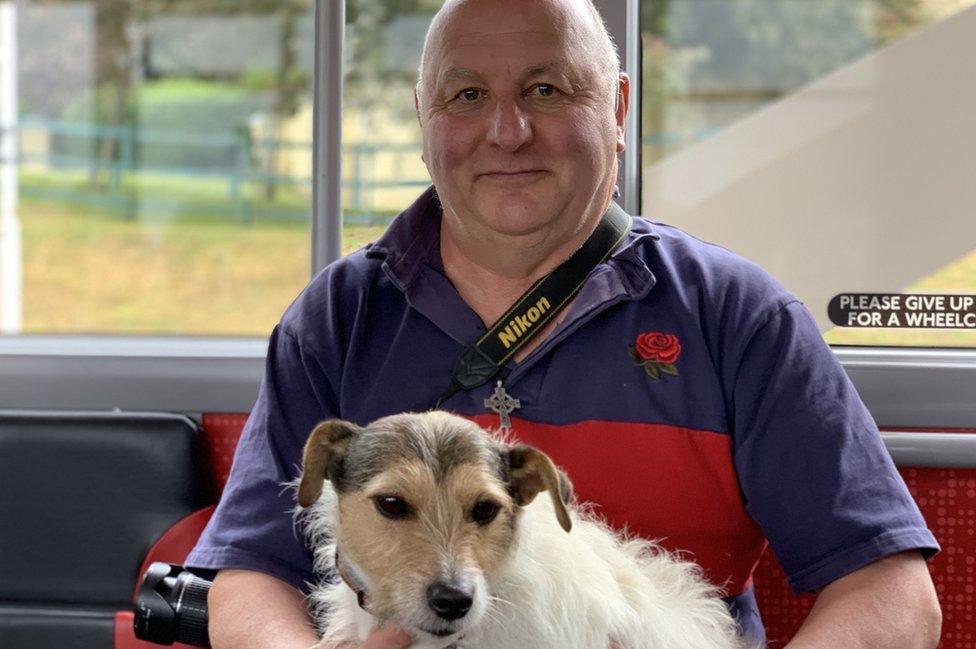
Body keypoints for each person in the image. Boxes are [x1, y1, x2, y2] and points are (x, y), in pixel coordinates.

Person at [186, 1, 942, 648]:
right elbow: (251, 574)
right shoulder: (339, 316)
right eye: (468, 94)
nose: (508, 130)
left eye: (546, 90)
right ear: (424, 118)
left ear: (615, 110)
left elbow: (891, 594)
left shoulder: (736, 314)